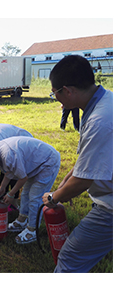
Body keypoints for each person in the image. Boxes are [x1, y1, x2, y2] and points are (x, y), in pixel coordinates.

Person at [43, 54, 112, 272]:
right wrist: (68, 178)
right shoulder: (105, 101)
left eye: (55, 94)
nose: (57, 99)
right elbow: (92, 157)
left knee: (70, 258)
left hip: (111, 207)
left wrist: (54, 197)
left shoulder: (100, 121)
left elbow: (83, 181)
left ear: (68, 91)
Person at [0, 136, 60, 244]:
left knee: (35, 197)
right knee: (25, 194)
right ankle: (21, 220)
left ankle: (32, 230)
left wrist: (11, 193)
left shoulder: (8, 155)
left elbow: (23, 178)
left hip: (48, 161)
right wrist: (3, 187)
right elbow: (9, 171)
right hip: (35, 163)